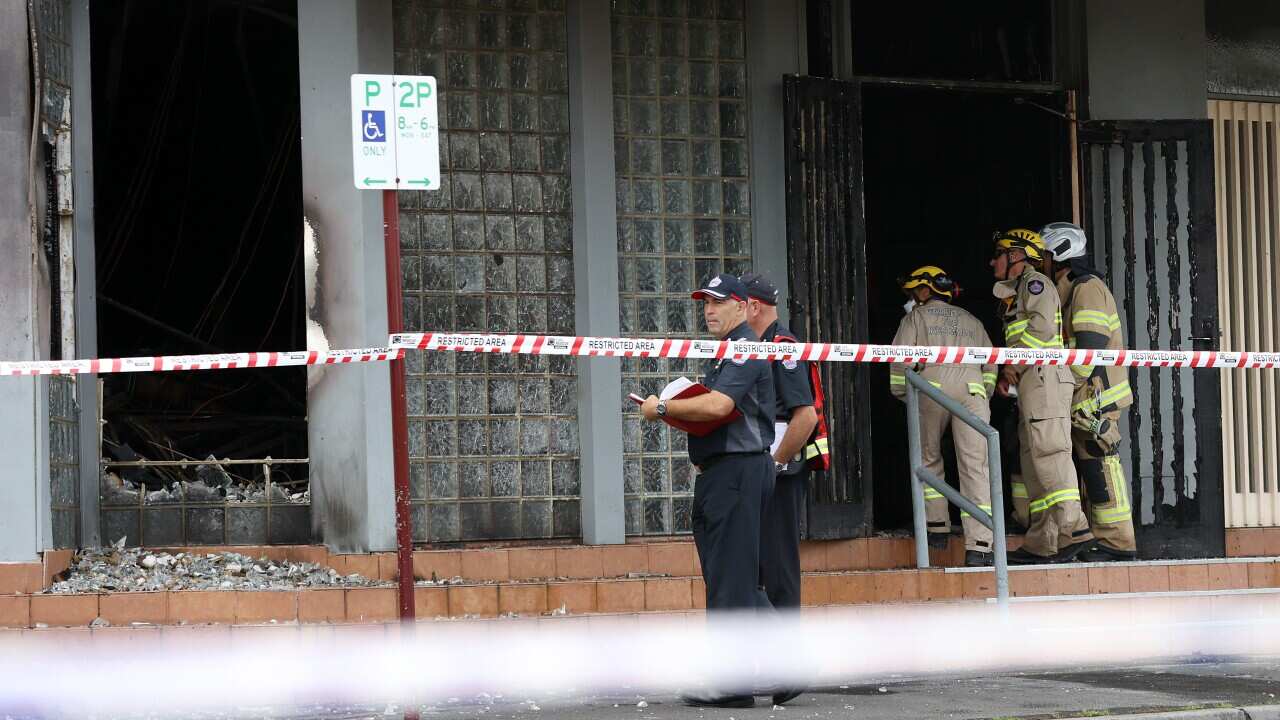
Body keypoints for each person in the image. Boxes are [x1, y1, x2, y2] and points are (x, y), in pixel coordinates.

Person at [640, 272, 775, 709]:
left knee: (731, 583)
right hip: (722, 475)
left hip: (737, 472)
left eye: (718, 302)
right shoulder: (723, 353)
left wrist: (662, 407)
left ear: (743, 306)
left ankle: (732, 685)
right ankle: (792, 661)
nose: (709, 310)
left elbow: (719, 406)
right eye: (705, 303)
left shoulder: (745, 347)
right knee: (728, 578)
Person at [990, 229, 1094, 564]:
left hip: (1044, 379)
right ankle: (1044, 541)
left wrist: (1012, 365)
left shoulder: (1037, 285)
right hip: (1033, 382)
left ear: (1017, 256)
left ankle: (1073, 529)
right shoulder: (1019, 291)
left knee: (1051, 452)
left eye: (1000, 254)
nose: (993, 261)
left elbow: (1041, 333)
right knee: (1034, 460)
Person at [888, 266, 999, 567]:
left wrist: (906, 396)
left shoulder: (915, 318)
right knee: (976, 465)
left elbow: (900, 363)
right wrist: (982, 393)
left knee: (928, 458)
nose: (912, 298)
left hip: (930, 389)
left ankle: (936, 528)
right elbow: (992, 363)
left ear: (925, 290)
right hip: (972, 391)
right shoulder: (972, 320)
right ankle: (980, 545)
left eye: (914, 292)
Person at [1042, 222, 1137, 561]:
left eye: (1046, 256)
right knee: (1088, 471)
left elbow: (1090, 348)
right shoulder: (1068, 289)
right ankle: (1100, 539)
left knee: (1100, 466)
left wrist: (1064, 385)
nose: (1043, 263)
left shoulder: (1087, 288)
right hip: (1084, 396)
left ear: (1060, 253)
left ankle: (1118, 543)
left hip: (1096, 397)